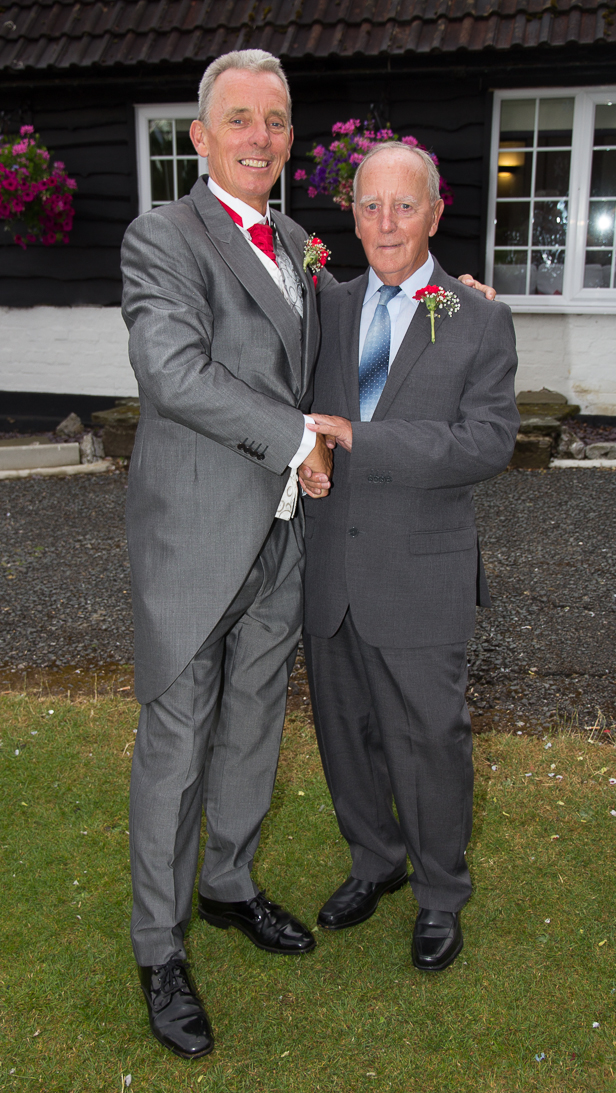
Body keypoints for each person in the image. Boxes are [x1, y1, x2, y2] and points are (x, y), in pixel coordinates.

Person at [121, 49, 495, 1058]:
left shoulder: (296, 244)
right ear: (200, 137)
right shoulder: (162, 237)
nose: (260, 137)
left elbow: (380, 318)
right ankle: (159, 947)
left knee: (251, 725)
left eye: (276, 120)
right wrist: (297, 439)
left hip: (286, 538)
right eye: (239, 118)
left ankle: (228, 884)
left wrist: (456, 301)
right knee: (177, 745)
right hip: (195, 535)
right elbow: (172, 370)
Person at [300, 142, 519, 974]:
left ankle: (439, 892)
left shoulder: (477, 316)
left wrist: (363, 438)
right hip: (332, 568)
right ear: (351, 215)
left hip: (423, 572)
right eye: (370, 205)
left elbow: (488, 441)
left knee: (431, 741)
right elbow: (291, 403)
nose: (386, 223)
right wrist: (311, 452)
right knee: (345, 732)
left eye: (403, 205)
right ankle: (375, 860)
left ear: (434, 212)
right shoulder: (325, 306)